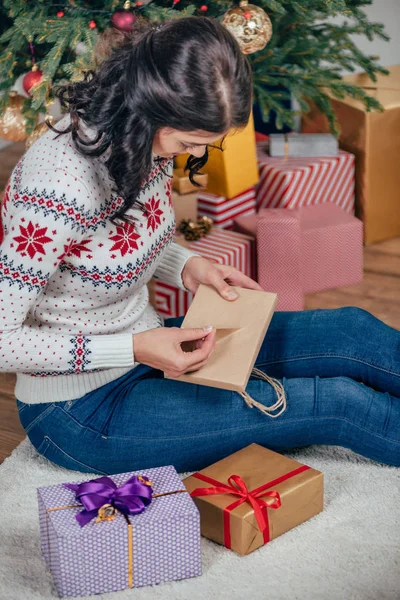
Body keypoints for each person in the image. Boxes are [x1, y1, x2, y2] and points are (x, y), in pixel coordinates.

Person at [1, 17, 399, 475]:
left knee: (353, 331)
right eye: (190, 142)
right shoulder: (57, 191)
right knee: (337, 404)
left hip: (151, 346)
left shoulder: (138, 137)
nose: (190, 154)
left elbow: (105, 245)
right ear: (150, 108)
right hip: (80, 410)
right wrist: (133, 349)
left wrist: (189, 266)